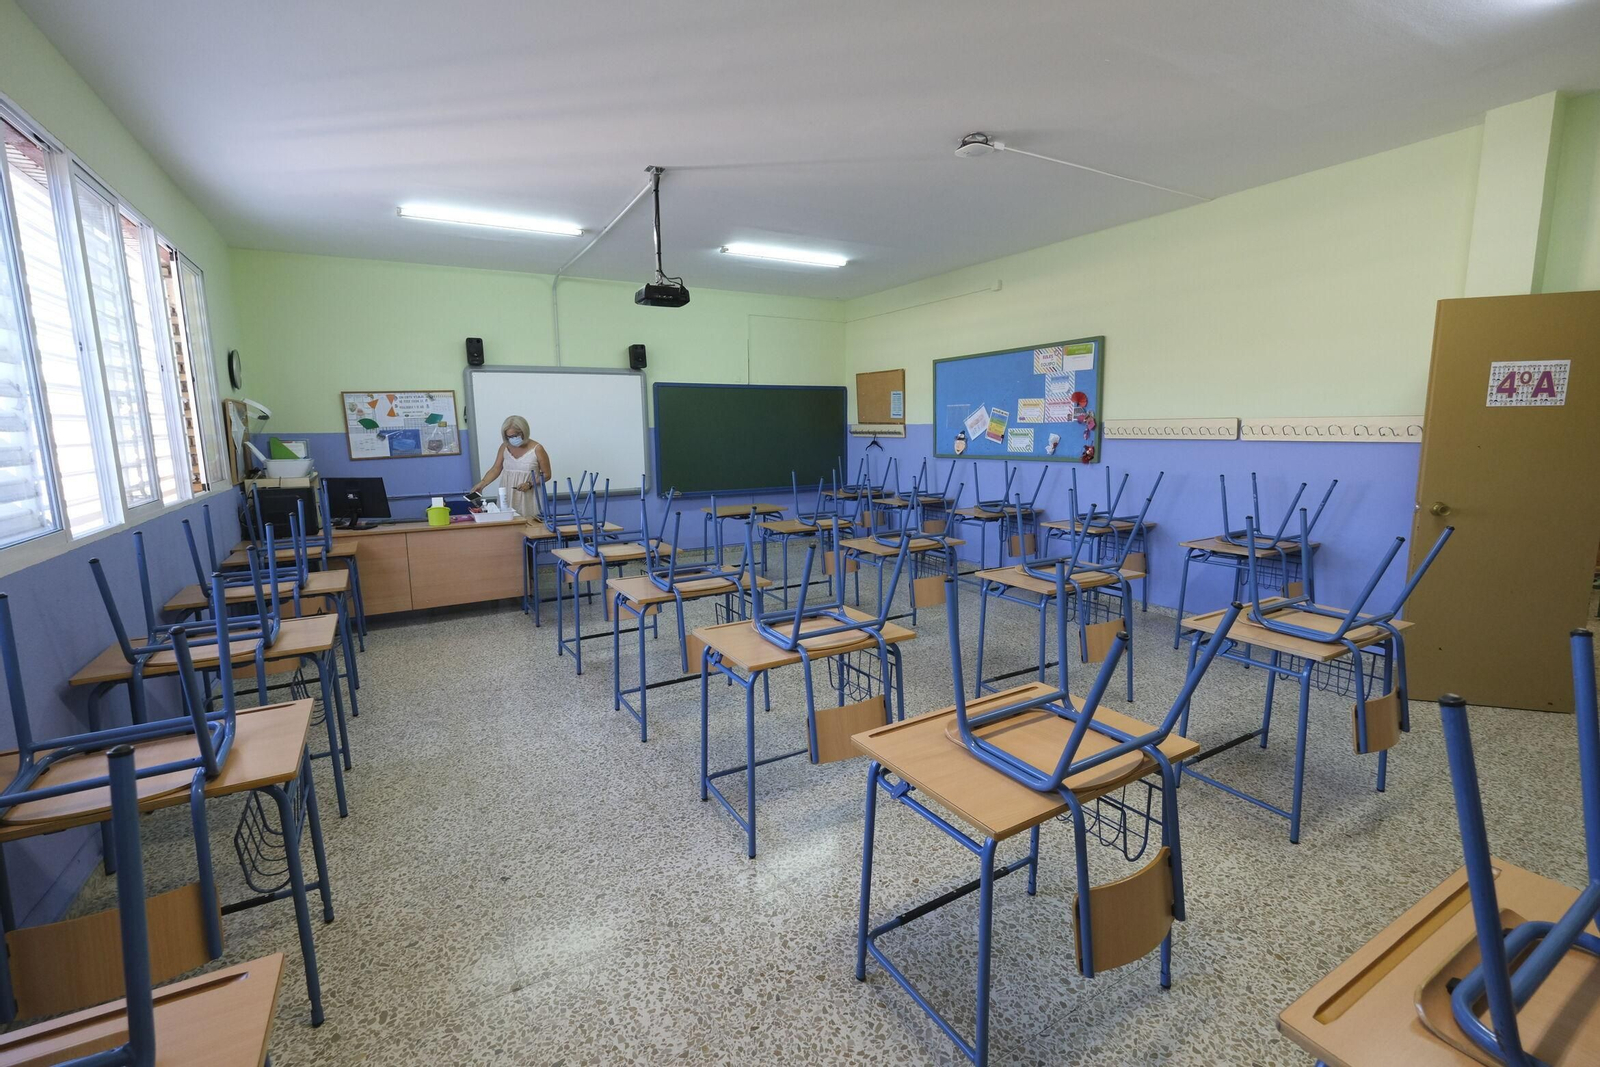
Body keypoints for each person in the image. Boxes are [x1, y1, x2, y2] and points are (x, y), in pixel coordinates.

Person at [470, 415, 550, 517]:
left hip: (530, 497)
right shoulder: (505, 447)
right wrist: (482, 483)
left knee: (530, 527)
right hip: (507, 495)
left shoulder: (537, 449)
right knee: (506, 524)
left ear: (524, 432)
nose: (512, 439)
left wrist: (530, 484)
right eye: (509, 437)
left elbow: (547, 474)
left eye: (515, 435)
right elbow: (496, 468)